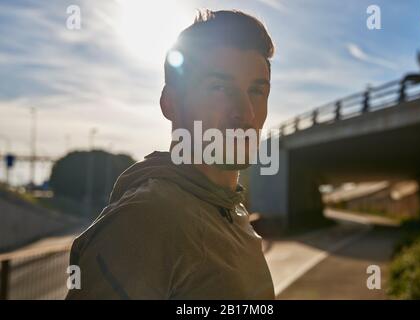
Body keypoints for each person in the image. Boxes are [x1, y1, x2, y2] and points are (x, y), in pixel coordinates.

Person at [66, 9, 275, 300]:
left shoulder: (231, 213)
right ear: (170, 103)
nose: (246, 113)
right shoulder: (143, 222)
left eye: (256, 91)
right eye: (219, 87)